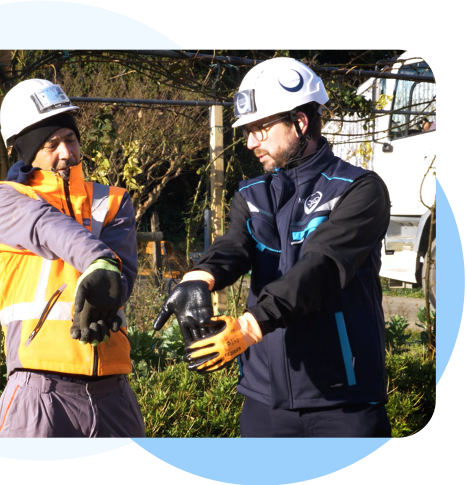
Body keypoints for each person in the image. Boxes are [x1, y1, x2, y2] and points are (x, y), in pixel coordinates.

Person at [153, 57, 393, 437]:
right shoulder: (253, 195)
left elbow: (321, 269)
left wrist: (249, 327)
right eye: (248, 131)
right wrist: (198, 279)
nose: (250, 143)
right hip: (265, 400)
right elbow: (233, 247)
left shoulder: (360, 190)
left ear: (299, 122)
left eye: (260, 130)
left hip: (344, 402)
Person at [0, 79, 145, 437]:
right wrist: (99, 261)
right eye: (51, 144)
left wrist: (107, 295)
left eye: (70, 139)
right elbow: (47, 227)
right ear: (25, 151)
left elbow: (124, 277)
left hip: (113, 393)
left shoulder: (112, 200)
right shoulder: (4, 199)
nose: (66, 152)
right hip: (39, 394)